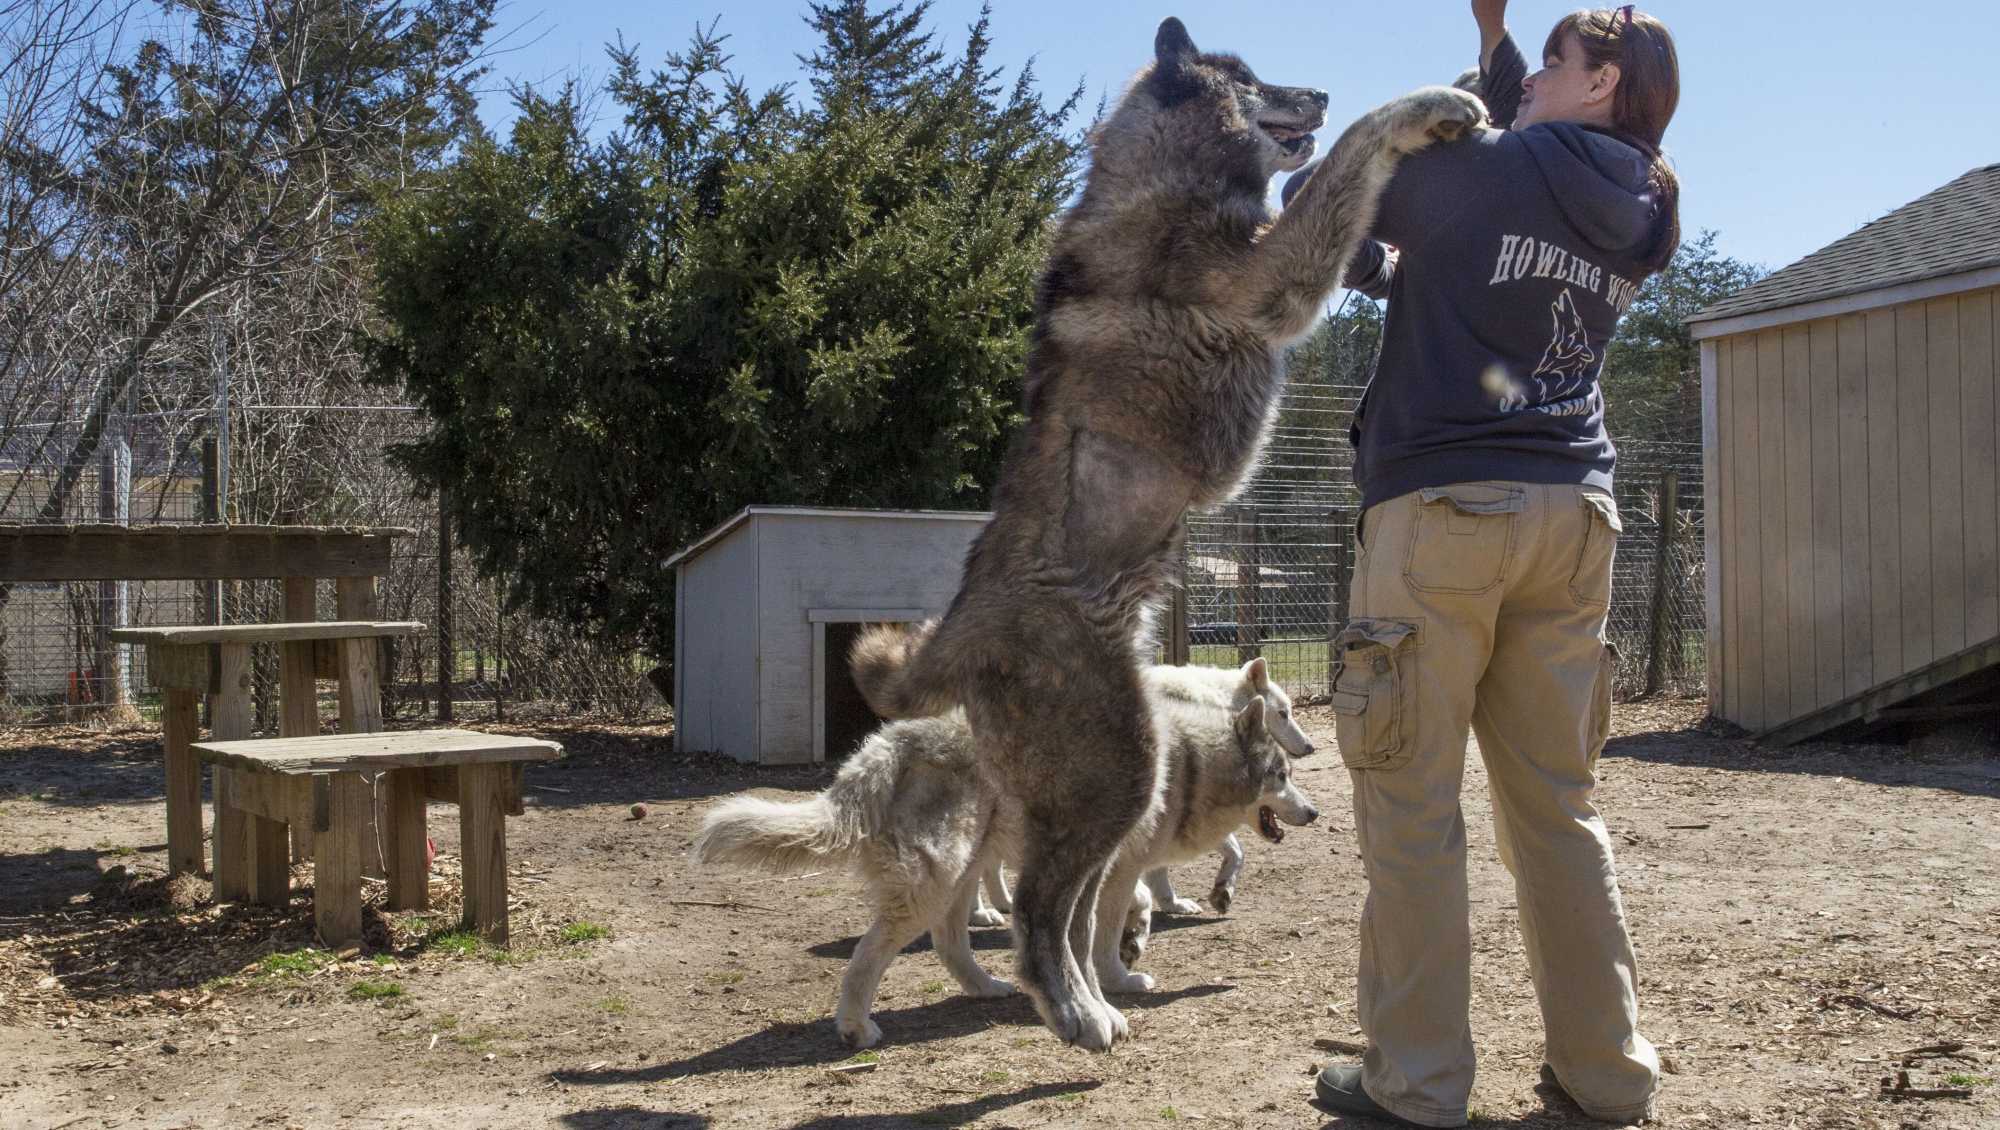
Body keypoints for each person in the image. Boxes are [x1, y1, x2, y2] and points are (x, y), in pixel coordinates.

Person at [1282, 4, 1681, 1126]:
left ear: (1599, 80)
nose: (1531, 77)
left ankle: (1415, 1082)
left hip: (1444, 508)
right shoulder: (1646, 203)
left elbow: (1320, 213)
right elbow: (1481, 216)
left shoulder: (1485, 171)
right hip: (1575, 513)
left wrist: (1353, 158)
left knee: (1412, 810)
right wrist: (1503, 40)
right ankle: (1605, 1076)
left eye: (1556, 60)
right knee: (1557, 810)